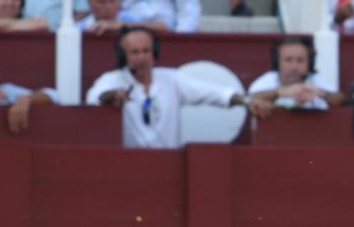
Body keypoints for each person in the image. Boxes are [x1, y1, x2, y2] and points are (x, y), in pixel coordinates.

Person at [87, 25, 247, 149]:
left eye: (146, 51)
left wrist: (246, 101)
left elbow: (215, 94)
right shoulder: (112, 79)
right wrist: (112, 96)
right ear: (122, 56)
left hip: (169, 160)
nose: (142, 57)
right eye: (134, 52)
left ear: (154, 53)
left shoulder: (171, 78)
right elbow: (94, 98)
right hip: (129, 161)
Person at [247, 35, 340, 113]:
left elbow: (343, 100)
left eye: (300, 60)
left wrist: (321, 93)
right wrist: (279, 92)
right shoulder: (266, 82)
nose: (294, 66)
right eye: (288, 60)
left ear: (310, 63)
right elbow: (250, 99)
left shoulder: (315, 80)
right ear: (277, 62)